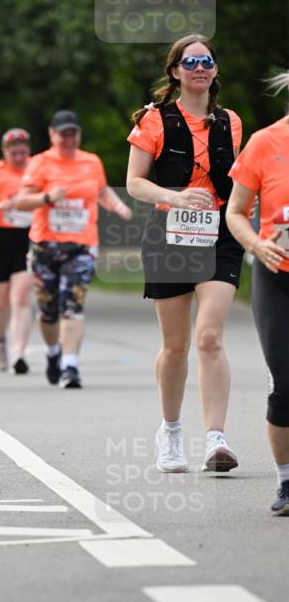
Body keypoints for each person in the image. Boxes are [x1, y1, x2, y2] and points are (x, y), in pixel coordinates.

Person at [126, 33, 244, 473]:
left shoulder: (230, 121)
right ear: (175, 71)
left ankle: (216, 438)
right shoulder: (154, 120)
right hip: (169, 234)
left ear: (214, 71)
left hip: (219, 235)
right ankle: (171, 431)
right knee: (174, 347)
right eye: (190, 61)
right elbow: (135, 181)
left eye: (206, 61)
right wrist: (174, 197)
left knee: (209, 337)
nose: (199, 68)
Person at [15, 110, 132, 389]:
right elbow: (21, 202)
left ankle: (70, 366)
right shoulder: (40, 163)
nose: (69, 139)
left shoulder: (91, 162)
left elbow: (101, 191)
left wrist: (117, 206)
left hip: (81, 246)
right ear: (52, 135)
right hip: (45, 245)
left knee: (73, 304)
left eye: (73, 133)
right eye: (63, 134)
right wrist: (46, 197)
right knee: (48, 310)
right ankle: (53, 352)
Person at [226, 71, 289, 516]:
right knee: (286, 382)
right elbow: (234, 212)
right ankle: (287, 483)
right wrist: (253, 243)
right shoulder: (265, 143)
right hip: (276, 272)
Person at [0, 128, 34, 374]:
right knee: (1, 302)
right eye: (14, 153)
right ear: (5, 152)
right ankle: (0, 339)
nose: (19, 157)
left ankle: (19, 352)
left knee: (21, 297)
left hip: (27, 236)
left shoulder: (36, 170)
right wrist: (5, 204)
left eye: (23, 152)